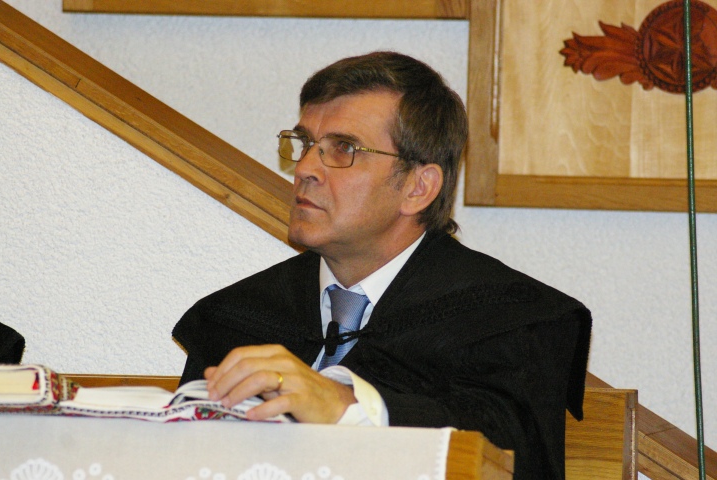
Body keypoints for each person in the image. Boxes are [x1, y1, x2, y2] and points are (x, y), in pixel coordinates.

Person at [173, 51, 591, 480]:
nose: (304, 169)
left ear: (417, 187)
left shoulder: (509, 320)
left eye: (343, 148)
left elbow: (508, 456)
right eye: (305, 143)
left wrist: (345, 407)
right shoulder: (238, 316)